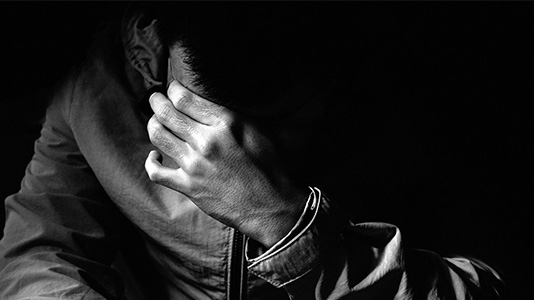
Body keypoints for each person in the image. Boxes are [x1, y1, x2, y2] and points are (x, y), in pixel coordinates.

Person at [0, 3, 506, 300]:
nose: (219, 147)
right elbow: (42, 239)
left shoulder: (411, 99)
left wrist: (287, 227)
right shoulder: (99, 81)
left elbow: (490, 285)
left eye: (271, 121)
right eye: (191, 110)